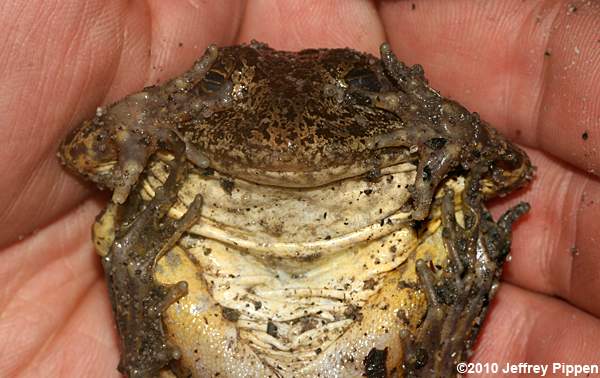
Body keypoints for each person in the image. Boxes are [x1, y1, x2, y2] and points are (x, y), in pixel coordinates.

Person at [0, 1, 598, 376]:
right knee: (123, 236)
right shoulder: (181, 117)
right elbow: (87, 153)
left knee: (463, 232)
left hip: (370, 333)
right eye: (225, 85)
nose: (286, 129)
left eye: (358, 84)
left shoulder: (406, 124)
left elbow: (505, 168)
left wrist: (429, 113)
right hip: (211, 335)